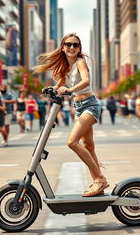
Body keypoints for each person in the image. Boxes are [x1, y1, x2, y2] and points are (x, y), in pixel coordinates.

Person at [34, 33, 108, 197]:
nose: (72, 47)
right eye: (69, 44)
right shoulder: (65, 66)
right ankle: (98, 182)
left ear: (79, 48)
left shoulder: (80, 62)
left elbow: (86, 81)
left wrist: (70, 90)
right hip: (79, 107)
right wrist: (51, 89)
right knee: (88, 146)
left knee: (72, 142)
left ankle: (99, 179)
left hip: (90, 105)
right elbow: (59, 84)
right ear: (63, 47)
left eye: (76, 45)